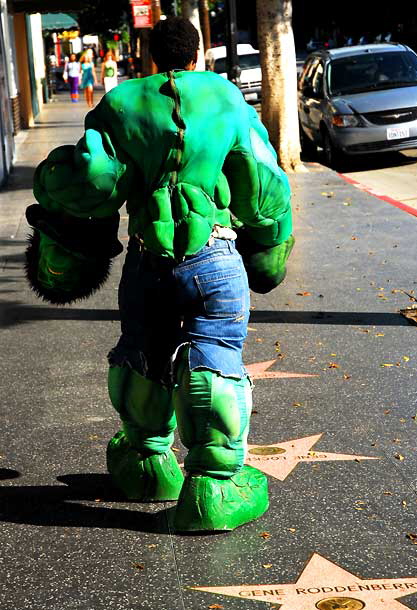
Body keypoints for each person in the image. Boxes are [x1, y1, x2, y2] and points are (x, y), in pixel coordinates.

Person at [25, 17, 294, 532]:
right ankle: (213, 487)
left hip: (147, 261)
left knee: (142, 351)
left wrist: (51, 181)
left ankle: (148, 466)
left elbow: (92, 179)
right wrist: (270, 244)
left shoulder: (121, 103)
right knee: (214, 352)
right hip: (214, 259)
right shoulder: (225, 97)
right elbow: (263, 185)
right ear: (198, 55)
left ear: (150, 56)